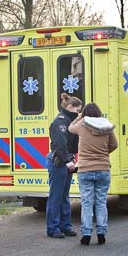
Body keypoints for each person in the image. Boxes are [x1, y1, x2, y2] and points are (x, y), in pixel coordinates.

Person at [69, 103, 118, 245]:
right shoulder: (107, 125)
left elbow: (70, 128)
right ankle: (101, 233)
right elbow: (114, 144)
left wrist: (79, 117)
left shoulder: (82, 124)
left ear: (84, 114)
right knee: (101, 202)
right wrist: (103, 154)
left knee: (86, 202)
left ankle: (86, 234)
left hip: (85, 169)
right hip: (103, 169)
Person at [46, 93, 83, 238]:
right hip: (59, 162)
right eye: (77, 110)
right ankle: (53, 228)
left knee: (64, 196)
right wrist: (68, 161)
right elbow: (60, 144)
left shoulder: (70, 122)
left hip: (67, 161)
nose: (79, 113)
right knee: (56, 196)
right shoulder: (60, 122)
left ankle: (65, 225)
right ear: (69, 107)